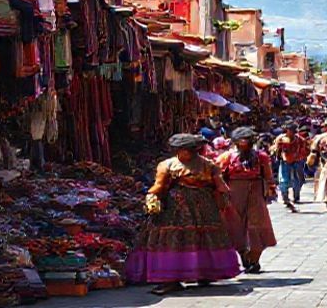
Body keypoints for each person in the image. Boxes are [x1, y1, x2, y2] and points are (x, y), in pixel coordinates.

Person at [125, 134, 241, 295]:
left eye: (188, 150)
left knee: (195, 239)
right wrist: (152, 198)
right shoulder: (170, 165)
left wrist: (224, 200)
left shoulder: (208, 165)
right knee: (177, 240)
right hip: (177, 209)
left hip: (198, 209)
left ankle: (199, 274)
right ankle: (174, 278)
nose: (186, 153)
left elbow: (220, 186)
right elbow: (159, 186)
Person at [218, 127, 277, 274]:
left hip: (255, 193)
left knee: (257, 225)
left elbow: (268, 176)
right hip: (234, 194)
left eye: (247, 140)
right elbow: (219, 177)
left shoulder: (261, 157)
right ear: (236, 142)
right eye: (241, 140)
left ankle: (255, 259)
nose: (244, 143)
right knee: (235, 225)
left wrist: (270, 189)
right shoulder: (226, 157)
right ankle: (243, 256)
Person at [271, 122, 307, 209]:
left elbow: (305, 150)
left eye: (293, 131)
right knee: (283, 180)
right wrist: (278, 150)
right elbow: (274, 149)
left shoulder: (300, 139)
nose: (291, 132)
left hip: (297, 161)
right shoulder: (280, 138)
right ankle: (285, 197)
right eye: (290, 130)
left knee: (297, 180)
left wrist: (300, 156)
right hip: (284, 162)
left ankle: (296, 196)